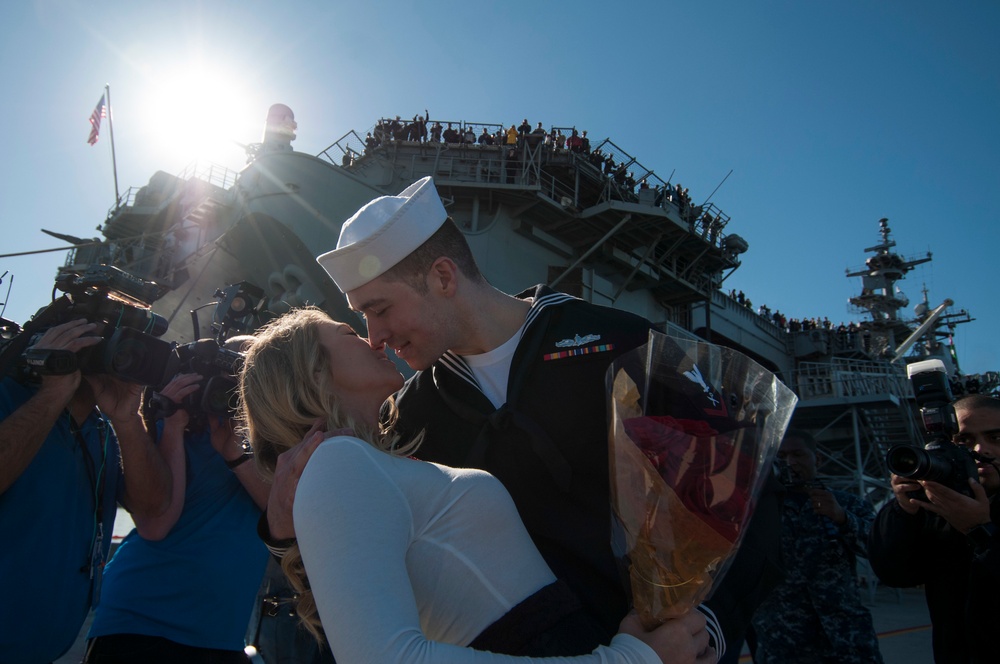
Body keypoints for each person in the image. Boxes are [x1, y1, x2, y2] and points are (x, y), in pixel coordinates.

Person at [296, 176, 783, 657]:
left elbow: (741, 494)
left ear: (443, 277)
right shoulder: (411, 418)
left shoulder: (617, 344)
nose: (374, 336)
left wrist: (711, 630)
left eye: (379, 309)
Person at [240, 307, 714, 663]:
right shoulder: (338, 463)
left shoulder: (367, 461)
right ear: (313, 373)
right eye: (347, 332)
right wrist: (633, 660)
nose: (373, 339)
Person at [84, 339, 270, 663]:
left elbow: (287, 519)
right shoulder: (172, 430)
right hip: (139, 626)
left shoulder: (274, 449)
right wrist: (172, 424)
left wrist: (234, 454)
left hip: (221, 636)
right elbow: (155, 524)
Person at [0, 318, 173, 663]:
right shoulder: (9, 398)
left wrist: (127, 418)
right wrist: (52, 392)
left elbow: (153, 506)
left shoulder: (103, 429)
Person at [868, 394, 1000, 663]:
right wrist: (905, 510)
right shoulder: (939, 507)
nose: (979, 450)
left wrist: (980, 531)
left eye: (995, 437)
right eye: (964, 441)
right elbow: (896, 574)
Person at [749, 430, 883, 663]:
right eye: (782, 456)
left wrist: (843, 518)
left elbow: (878, 547)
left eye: (798, 454)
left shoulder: (847, 503)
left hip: (846, 635)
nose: (791, 462)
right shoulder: (760, 511)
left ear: (817, 459)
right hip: (784, 637)